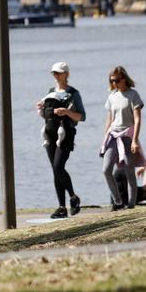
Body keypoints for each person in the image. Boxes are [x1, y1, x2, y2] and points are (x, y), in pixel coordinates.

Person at [36, 62, 85, 219]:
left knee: (58, 166)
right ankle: (62, 207)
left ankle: (73, 197)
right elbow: (47, 113)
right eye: (54, 73)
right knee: (55, 170)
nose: (56, 76)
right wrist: (41, 108)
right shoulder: (50, 92)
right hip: (50, 133)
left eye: (59, 73)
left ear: (66, 74)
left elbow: (81, 116)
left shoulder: (73, 93)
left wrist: (66, 112)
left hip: (66, 133)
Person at [101, 66, 144, 210]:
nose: (114, 83)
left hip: (127, 137)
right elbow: (109, 119)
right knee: (106, 170)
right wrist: (104, 140)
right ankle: (118, 201)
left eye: (117, 80)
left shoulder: (133, 95)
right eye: (112, 81)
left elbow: (137, 119)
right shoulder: (112, 96)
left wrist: (134, 140)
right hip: (113, 136)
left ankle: (131, 205)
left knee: (129, 172)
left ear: (124, 79)